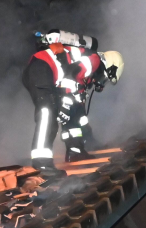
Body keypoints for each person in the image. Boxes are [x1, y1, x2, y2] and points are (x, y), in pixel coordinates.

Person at [21, 31, 120, 170]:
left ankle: (75, 150)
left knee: (75, 111)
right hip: (42, 67)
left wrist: (87, 136)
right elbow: (70, 75)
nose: (100, 84)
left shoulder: (87, 77)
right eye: (105, 79)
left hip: (45, 73)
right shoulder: (94, 60)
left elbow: (77, 107)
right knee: (47, 112)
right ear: (109, 68)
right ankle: (41, 162)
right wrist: (65, 104)